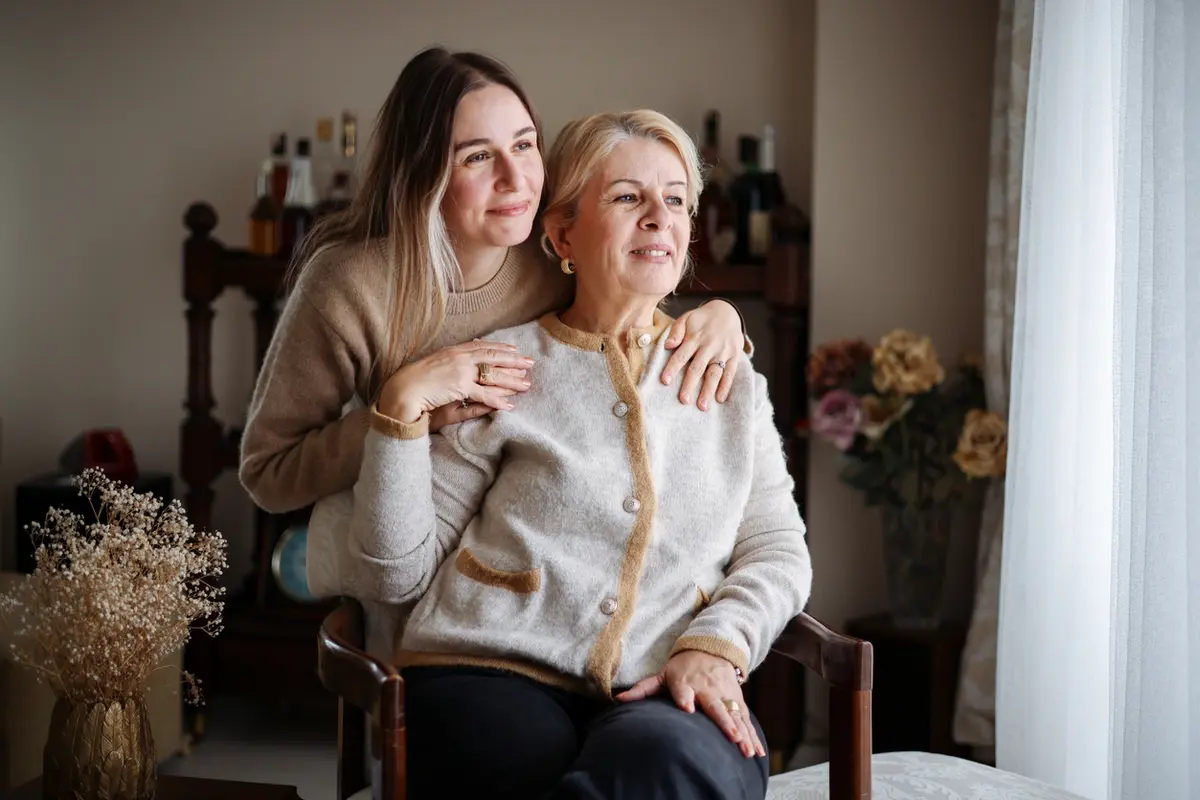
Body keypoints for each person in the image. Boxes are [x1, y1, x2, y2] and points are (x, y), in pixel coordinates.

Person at [348, 109, 812, 800]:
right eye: (628, 197)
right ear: (563, 233)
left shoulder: (730, 379)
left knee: (671, 763)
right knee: (509, 761)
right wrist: (398, 412)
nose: (660, 215)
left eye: (676, 199)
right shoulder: (501, 365)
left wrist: (716, 643)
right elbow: (395, 572)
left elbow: (778, 551)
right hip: (488, 667)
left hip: (666, 677)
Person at [238, 47, 752, 520]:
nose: (516, 177)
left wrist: (722, 315)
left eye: (524, 145)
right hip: (415, 539)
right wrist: (404, 409)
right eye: (478, 156)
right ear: (423, 174)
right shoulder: (349, 288)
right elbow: (268, 474)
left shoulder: (555, 249)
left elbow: (634, 309)